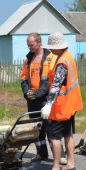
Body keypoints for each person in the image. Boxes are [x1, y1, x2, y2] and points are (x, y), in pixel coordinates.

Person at [41, 32, 83, 170]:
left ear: (58, 47)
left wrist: (48, 105)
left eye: (52, 47)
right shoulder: (68, 57)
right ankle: (70, 164)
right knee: (68, 133)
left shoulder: (61, 63)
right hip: (70, 104)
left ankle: (55, 168)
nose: (51, 50)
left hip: (60, 106)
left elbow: (56, 87)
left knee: (54, 137)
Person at [20, 32, 56, 162]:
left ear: (39, 42)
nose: (29, 48)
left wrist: (38, 93)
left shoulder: (50, 58)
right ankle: (41, 153)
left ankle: (59, 157)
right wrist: (27, 93)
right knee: (36, 127)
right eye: (28, 45)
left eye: (31, 45)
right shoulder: (28, 60)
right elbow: (23, 78)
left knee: (50, 127)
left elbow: (49, 81)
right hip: (32, 100)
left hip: (46, 99)